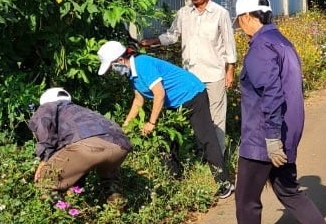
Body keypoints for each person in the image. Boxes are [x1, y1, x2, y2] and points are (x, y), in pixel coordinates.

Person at [217, 0, 326, 224]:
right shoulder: (281, 42)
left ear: (245, 17)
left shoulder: (260, 48)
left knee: (246, 199)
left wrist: (271, 139)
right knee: (288, 191)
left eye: (239, 20)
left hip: (263, 139)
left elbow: (272, 94)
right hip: (284, 134)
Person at [96, 40, 234, 200]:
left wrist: (151, 122)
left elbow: (159, 94)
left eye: (111, 66)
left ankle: (224, 183)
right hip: (174, 103)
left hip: (192, 94)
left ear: (120, 60)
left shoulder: (142, 64)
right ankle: (174, 180)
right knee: (168, 141)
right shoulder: (131, 74)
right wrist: (124, 127)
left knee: (205, 138)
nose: (112, 71)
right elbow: (138, 100)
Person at [139, 0, 237, 156]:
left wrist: (230, 70)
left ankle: (218, 162)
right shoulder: (184, 13)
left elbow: (229, 44)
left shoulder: (220, 14)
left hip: (214, 75)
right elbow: (172, 35)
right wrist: (153, 41)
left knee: (216, 120)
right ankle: (199, 155)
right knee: (191, 118)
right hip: (190, 78)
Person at [28, 87, 132, 202]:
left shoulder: (48, 107)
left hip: (88, 146)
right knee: (109, 182)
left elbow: (44, 129)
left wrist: (45, 160)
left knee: (47, 180)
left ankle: (56, 215)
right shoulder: (83, 110)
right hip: (121, 146)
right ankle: (117, 206)